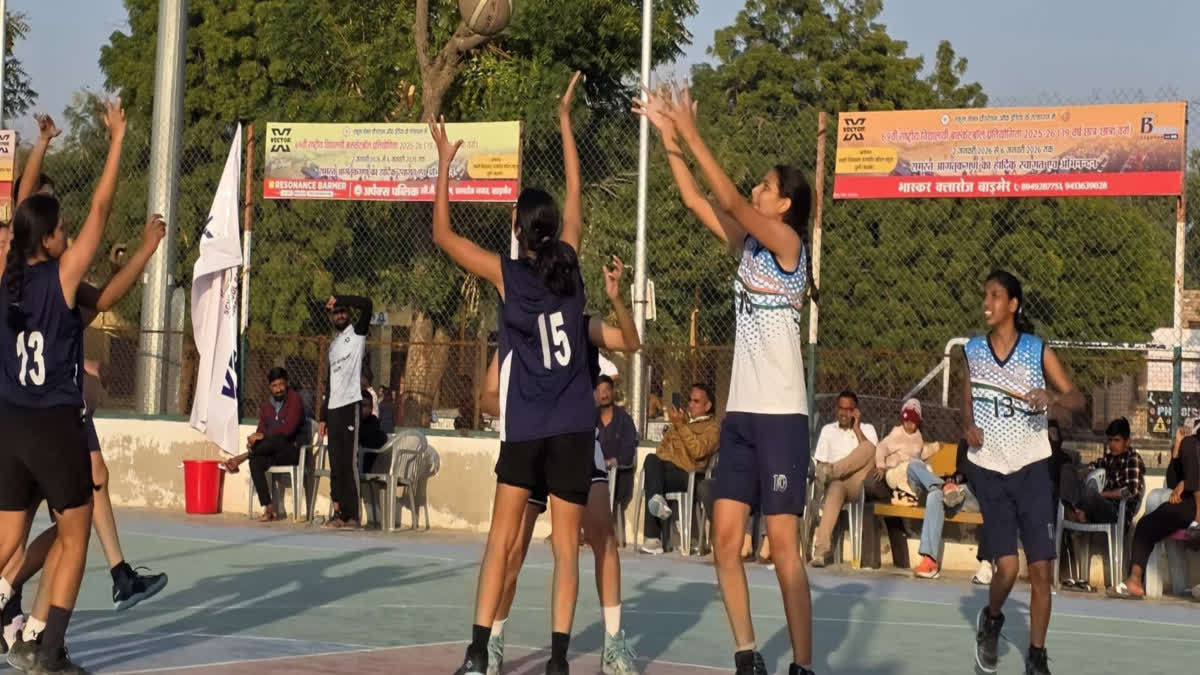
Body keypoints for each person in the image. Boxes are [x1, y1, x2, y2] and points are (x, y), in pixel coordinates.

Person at [638, 85, 816, 675]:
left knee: (785, 551)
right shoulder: (747, 248)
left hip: (783, 416)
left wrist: (692, 130)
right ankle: (747, 655)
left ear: (785, 205)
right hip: (740, 416)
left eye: (769, 185)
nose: (759, 190)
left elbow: (733, 200)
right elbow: (696, 199)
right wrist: (668, 138)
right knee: (724, 542)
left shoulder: (790, 246)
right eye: (761, 184)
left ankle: (803, 666)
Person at [436, 72, 594, 675]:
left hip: (527, 428)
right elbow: (577, 193)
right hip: (575, 427)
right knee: (564, 552)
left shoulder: (510, 275)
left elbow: (443, 234)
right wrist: (564, 120)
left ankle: (478, 653)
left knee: (501, 543)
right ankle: (557, 660)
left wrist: (445, 165)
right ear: (553, 229)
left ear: (516, 228)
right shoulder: (572, 267)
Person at [0, 99, 126, 674]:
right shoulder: (61, 278)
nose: (68, 235)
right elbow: (101, 207)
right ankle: (49, 656)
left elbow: (20, 210)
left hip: (8, 423)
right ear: (50, 240)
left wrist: (40, 148)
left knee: (6, 545)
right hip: (53, 423)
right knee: (73, 536)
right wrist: (118, 138)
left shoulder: (9, 274)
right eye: (62, 232)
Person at [483, 255, 641, 675]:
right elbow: (486, 397)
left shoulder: (577, 321)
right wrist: (516, 408)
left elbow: (630, 341)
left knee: (601, 534)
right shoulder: (517, 332)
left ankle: (613, 642)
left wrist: (617, 298)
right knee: (513, 549)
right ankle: (494, 638)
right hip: (530, 443)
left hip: (573, 441)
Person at [961, 270, 1082, 675]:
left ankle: (1036, 657)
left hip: (1031, 467)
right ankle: (991, 619)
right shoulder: (973, 351)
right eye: (985, 294)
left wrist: (1053, 397)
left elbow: (1076, 399)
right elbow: (966, 404)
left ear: (1013, 305)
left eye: (995, 295)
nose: (987, 302)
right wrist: (968, 425)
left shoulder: (1036, 350)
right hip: (991, 467)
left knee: (1041, 571)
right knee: (1008, 568)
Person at [1111, 421, 1200, 598]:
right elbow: (1173, 482)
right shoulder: (1192, 438)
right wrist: (1177, 448)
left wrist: (1188, 483)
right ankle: (1135, 581)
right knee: (1146, 524)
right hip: (1190, 503)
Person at [639, 383, 720, 555]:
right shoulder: (681, 422)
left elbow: (698, 451)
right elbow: (661, 449)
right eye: (690, 400)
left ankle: (653, 538)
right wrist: (676, 427)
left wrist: (681, 426)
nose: (691, 404)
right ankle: (657, 502)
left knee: (653, 478)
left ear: (708, 406)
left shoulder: (712, 428)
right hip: (666, 470)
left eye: (696, 401)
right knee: (651, 460)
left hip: (688, 475)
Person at [318, 292, 373, 528]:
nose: (340, 315)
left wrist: (340, 298)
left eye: (343, 311)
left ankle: (352, 515)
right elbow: (329, 382)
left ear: (348, 313)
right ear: (331, 316)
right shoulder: (332, 346)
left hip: (350, 404)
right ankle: (339, 511)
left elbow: (368, 305)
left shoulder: (357, 334)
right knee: (335, 461)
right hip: (333, 409)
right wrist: (322, 416)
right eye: (335, 312)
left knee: (348, 462)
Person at [222, 368, 306, 522]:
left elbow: (288, 429)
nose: (279, 389)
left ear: (286, 383)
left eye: (281, 384)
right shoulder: (266, 407)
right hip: (272, 453)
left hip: (291, 451)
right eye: (274, 386)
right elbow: (260, 432)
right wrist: (253, 439)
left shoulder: (295, 399)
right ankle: (268, 508)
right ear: (270, 387)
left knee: (277, 438)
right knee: (256, 462)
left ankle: (242, 457)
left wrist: (263, 437)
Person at [810, 391, 878, 567]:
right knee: (834, 490)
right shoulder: (828, 430)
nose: (843, 413)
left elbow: (874, 458)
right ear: (835, 409)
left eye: (848, 410)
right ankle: (820, 551)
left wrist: (857, 429)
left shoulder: (868, 429)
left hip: (859, 483)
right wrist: (830, 474)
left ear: (856, 412)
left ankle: (834, 470)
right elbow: (820, 463)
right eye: (840, 408)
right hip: (837, 484)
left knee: (869, 448)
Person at [1058, 417, 1143, 526]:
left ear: (1127, 442)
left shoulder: (1132, 459)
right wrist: (1081, 473)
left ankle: (1075, 512)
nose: (1112, 445)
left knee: (1089, 493)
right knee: (1067, 469)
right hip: (1095, 504)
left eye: (1117, 440)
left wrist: (1102, 495)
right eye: (1110, 440)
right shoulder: (1109, 458)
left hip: (1116, 512)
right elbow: (1093, 466)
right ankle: (1075, 512)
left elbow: (1131, 491)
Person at [595, 374, 638, 511]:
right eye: (599, 391)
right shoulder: (590, 419)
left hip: (618, 478)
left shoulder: (624, 420)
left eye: (607, 390)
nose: (604, 395)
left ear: (612, 392)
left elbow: (628, 453)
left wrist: (610, 463)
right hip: (593, 476)